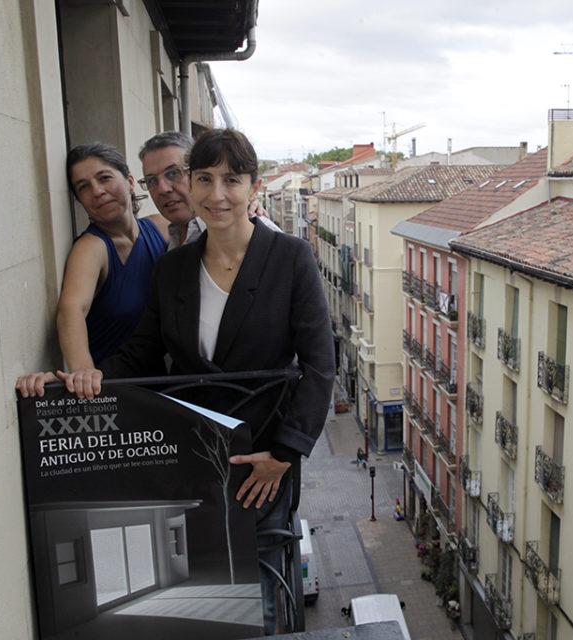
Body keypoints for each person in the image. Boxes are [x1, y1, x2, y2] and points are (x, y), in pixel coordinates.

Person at [18, 128, 335, 634]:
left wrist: (285, 452)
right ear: (191, 184)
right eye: (204, 179)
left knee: (260, 599)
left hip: (260, 461)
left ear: (254, 187)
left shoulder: (290, 257)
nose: (216, 194)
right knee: (205, 597)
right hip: (191, 458)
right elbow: (141, 353)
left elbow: (320, 364)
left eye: (231, 180)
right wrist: (71, 384)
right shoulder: (172, 268)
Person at [57, 142, 169, 372]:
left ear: (129, 182)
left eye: (104, 178)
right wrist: (84, 374)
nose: (97, 191)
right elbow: (71, 310)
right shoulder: (91, 247)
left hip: (163, 381)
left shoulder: (161, 227)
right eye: (84, 187)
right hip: (114, 384)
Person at [138, 130, 281, 249]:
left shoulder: (263, 238)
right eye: (151, 180)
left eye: (173, 173)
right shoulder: (162, 242)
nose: (163, 189)